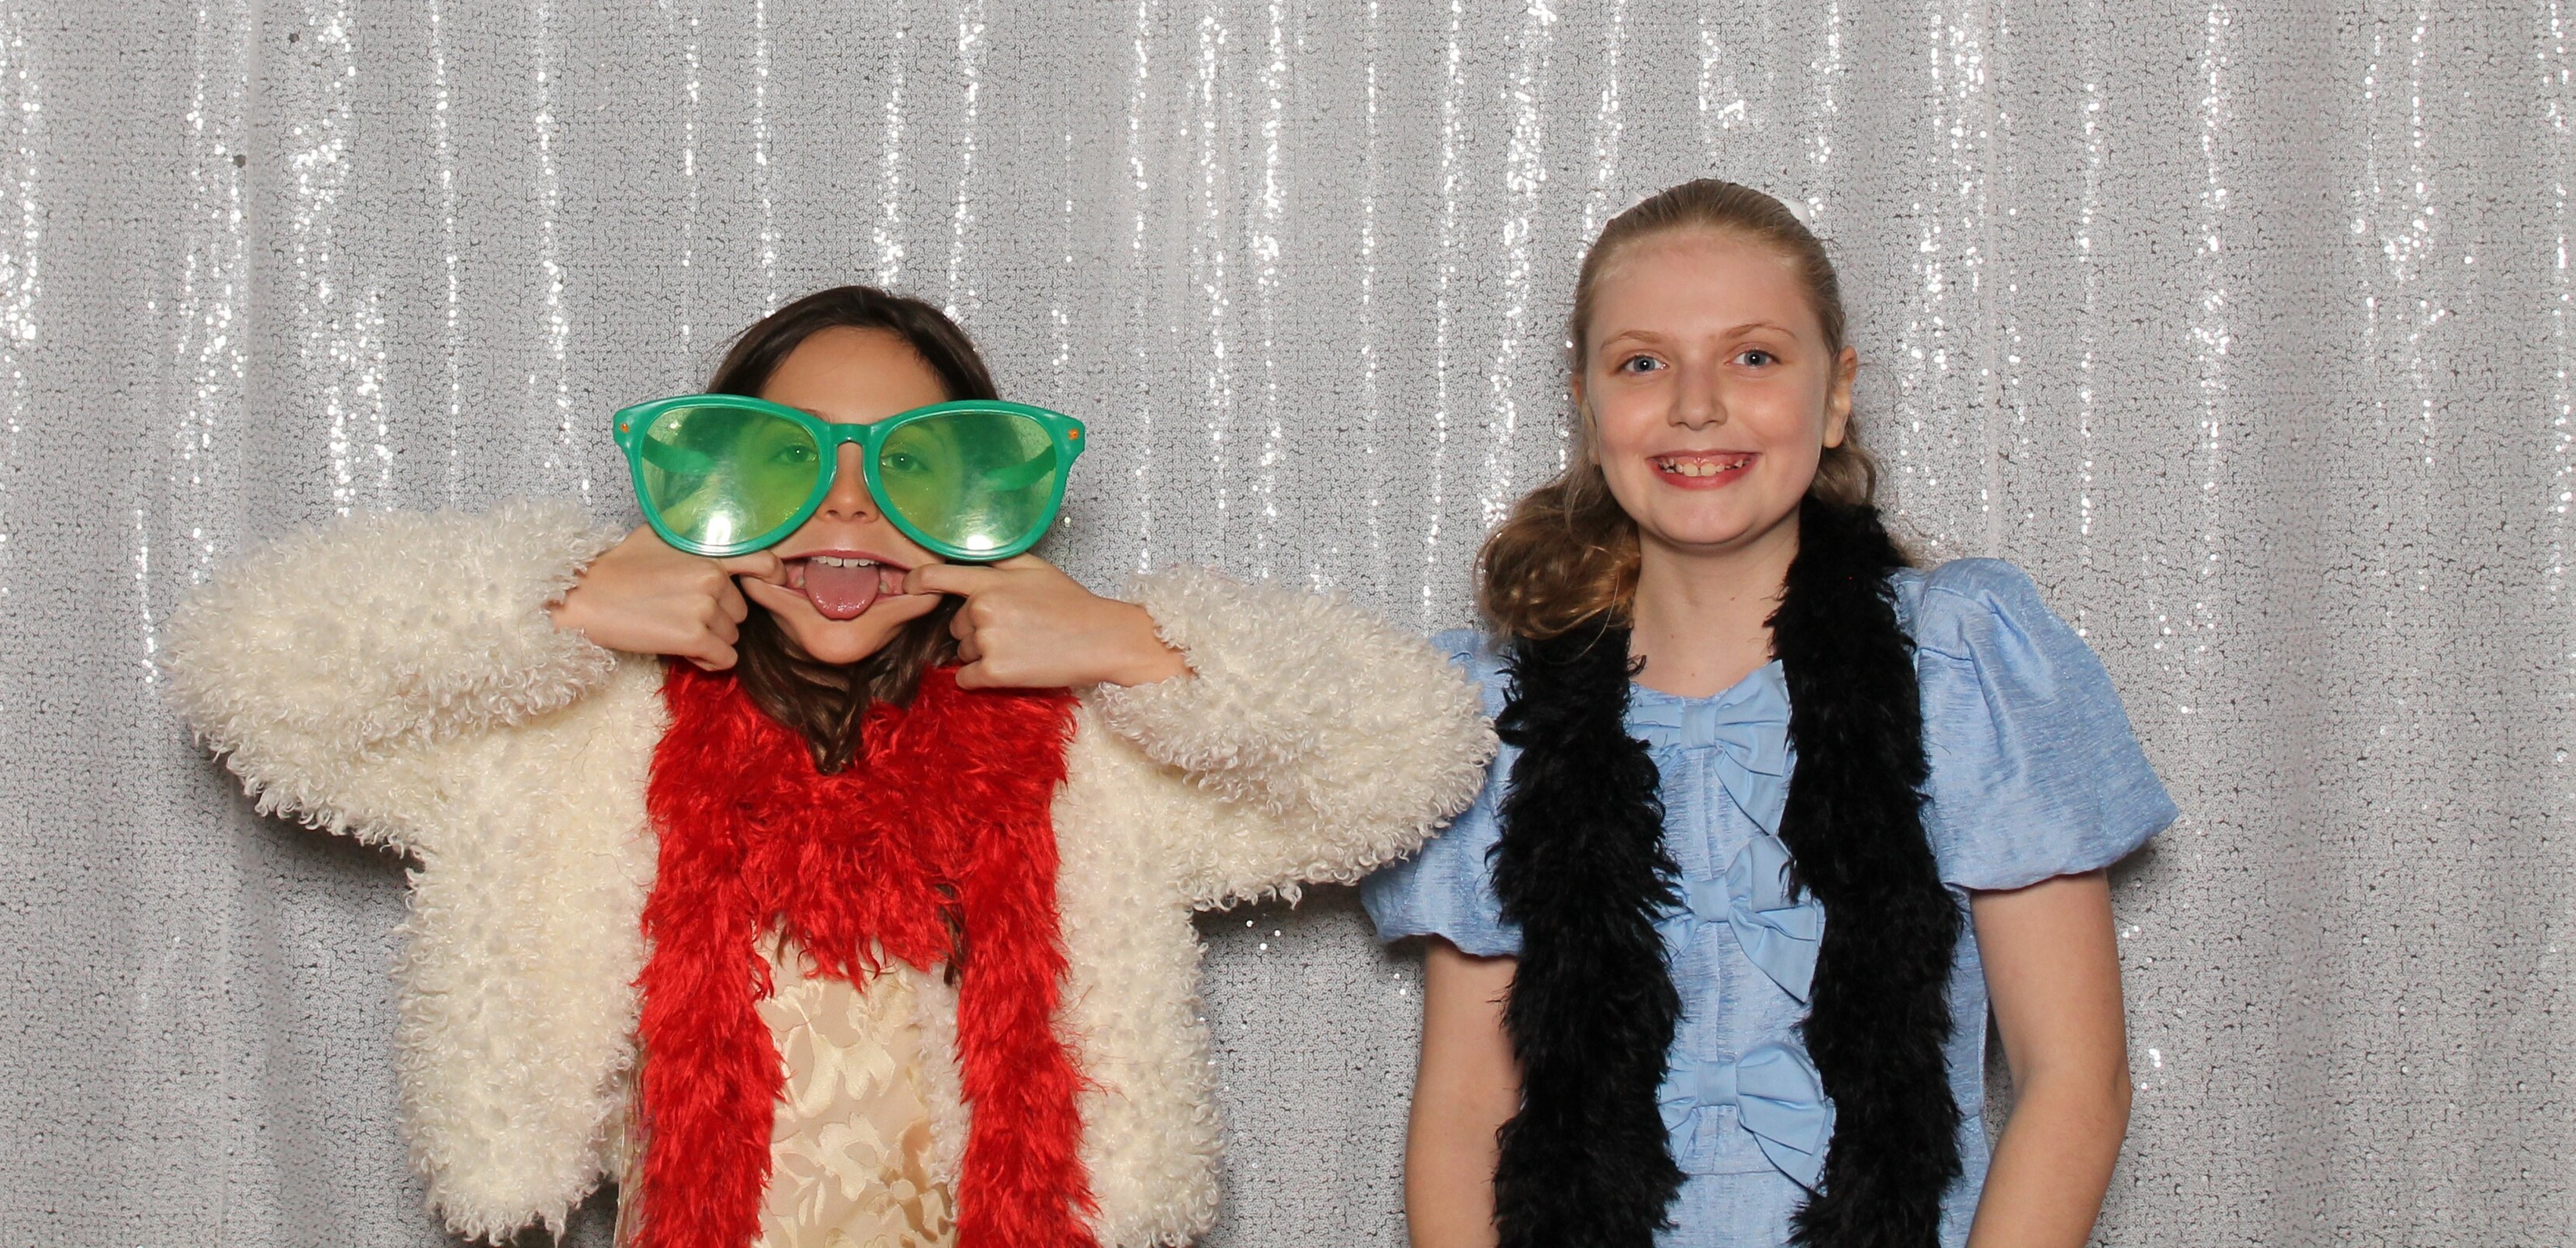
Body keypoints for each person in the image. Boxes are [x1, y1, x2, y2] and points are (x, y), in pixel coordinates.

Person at [171, 283, 1492, 1248]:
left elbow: (1411, 752)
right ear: (712, 485)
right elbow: (251, 671)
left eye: (910, 465)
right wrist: (556, 608)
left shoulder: (1083, 750)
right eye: (791, 459)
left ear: (979, 498)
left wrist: (1130, 642)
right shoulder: (581, 732)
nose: (849, 503)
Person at [1365, 181, 2176, 1248]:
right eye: (1643, 363)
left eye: (1753, 356)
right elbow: (1469, 1106)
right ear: (1588, 410)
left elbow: (2075, 1078)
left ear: (1835, 397)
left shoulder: (1961, 659)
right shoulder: (1492, 717)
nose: (1697, 404)